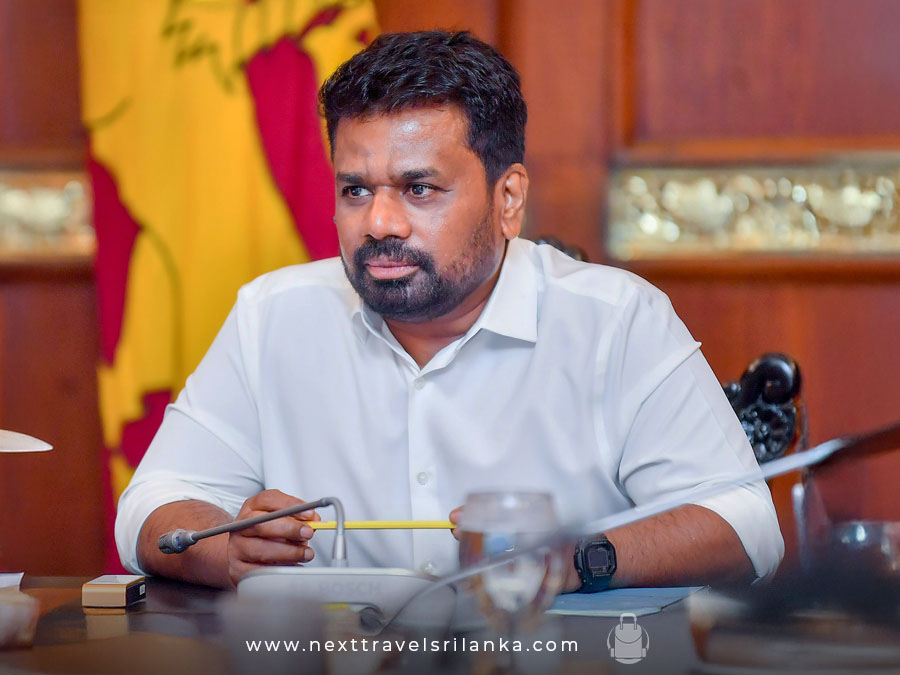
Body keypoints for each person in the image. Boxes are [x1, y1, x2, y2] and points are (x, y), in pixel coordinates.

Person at [116, 30, 783, 591]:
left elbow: (746, 526)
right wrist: (223, 548)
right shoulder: (273, 316)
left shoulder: (616, 320)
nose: (379, 222)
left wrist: (573, 559)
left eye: (418, 188)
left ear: (508, 197)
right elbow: (148, 508)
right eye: (355, 189)